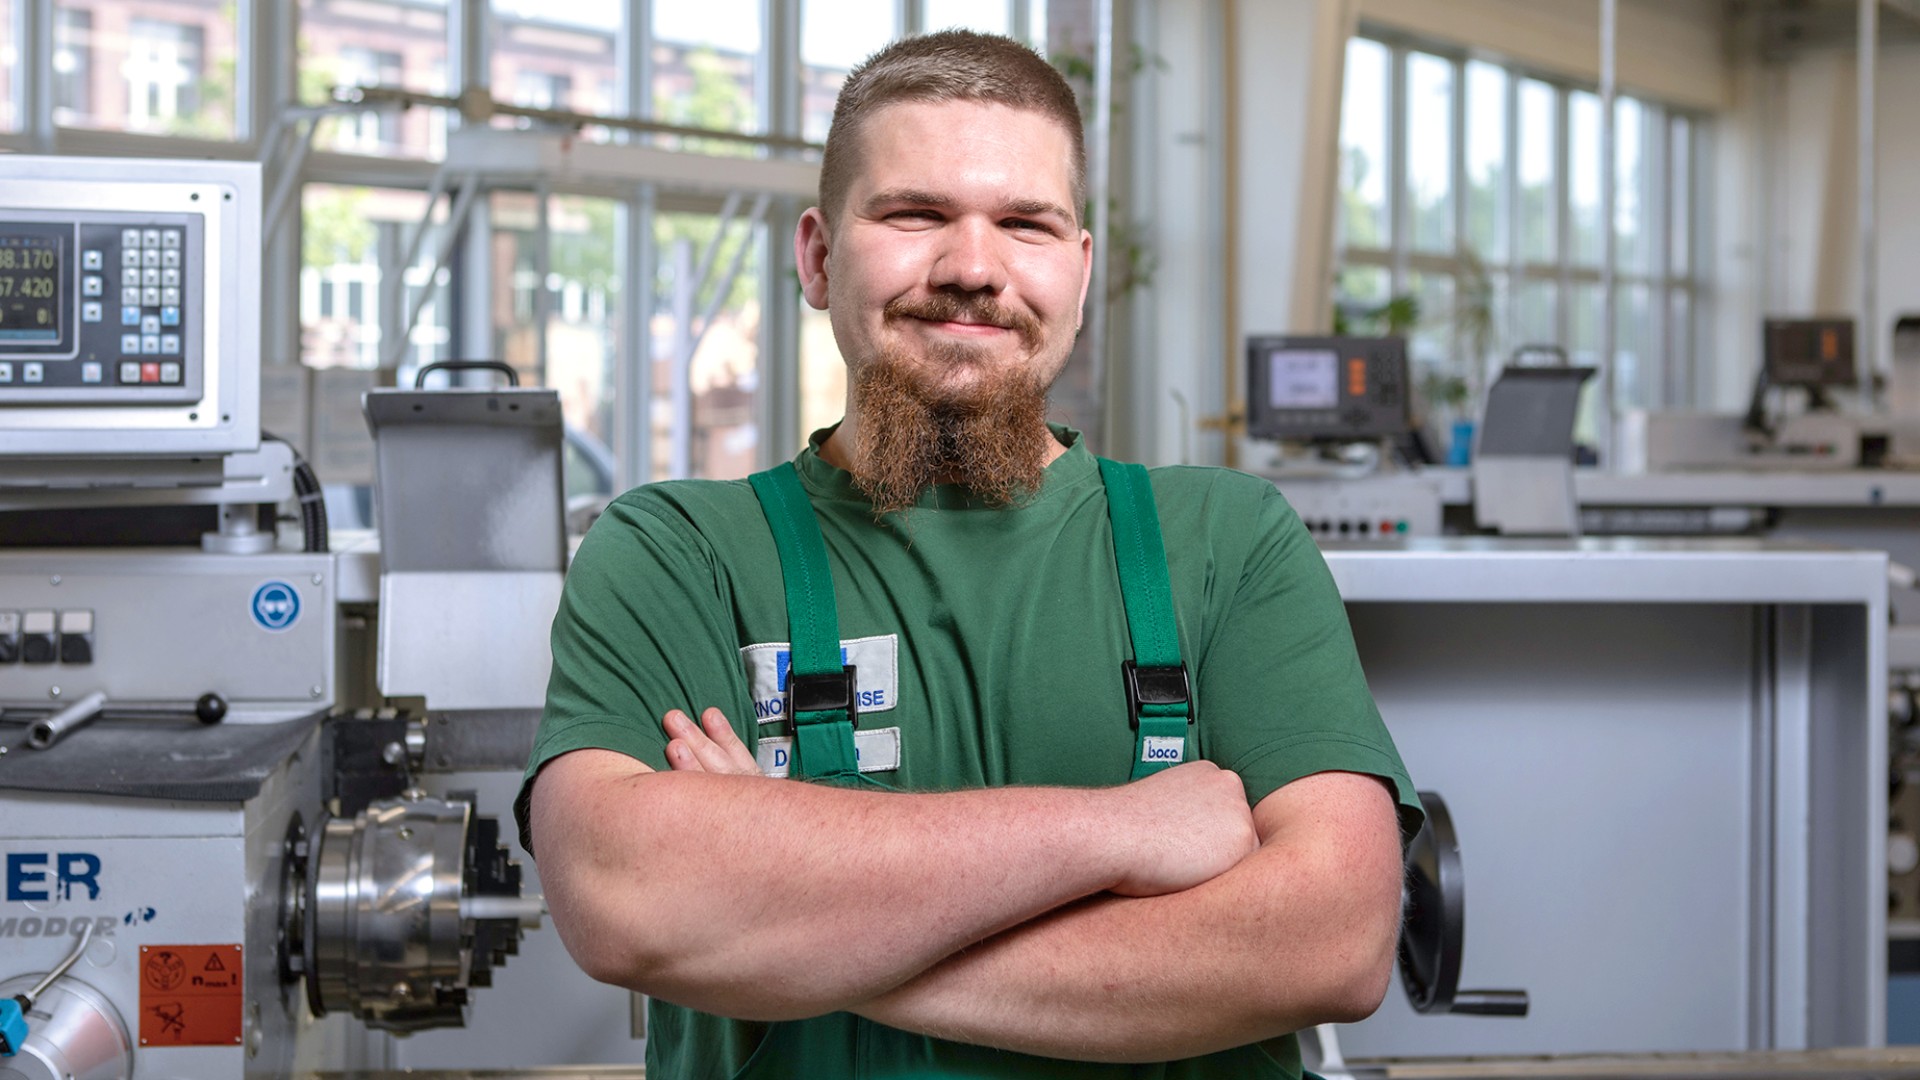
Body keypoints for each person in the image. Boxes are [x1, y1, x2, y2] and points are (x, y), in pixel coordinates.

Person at [516, 28, 1422, 1080]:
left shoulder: (1229, 543)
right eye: (914, 214)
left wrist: (783, 920)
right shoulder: (678, 552)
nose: (973, 268)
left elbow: (1334, 941)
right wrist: (1121, 833)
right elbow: (630, 902)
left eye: (1027, 225)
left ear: (1078, 274)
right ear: (817, 255)